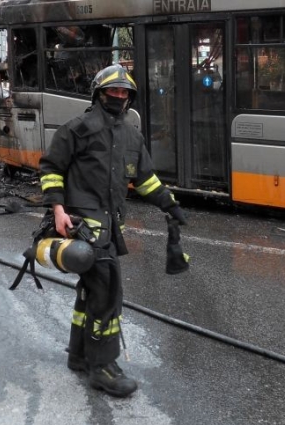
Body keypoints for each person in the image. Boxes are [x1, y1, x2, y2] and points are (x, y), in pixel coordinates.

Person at [39, 65, 188, 398]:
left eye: (124, 92)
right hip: (82, 227)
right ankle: (102, 367)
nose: (118, 97)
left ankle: (79, 355)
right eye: (113, 91)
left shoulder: (132, 136)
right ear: (98, 93)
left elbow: (145, 179)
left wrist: (170, 204)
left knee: (91, 293)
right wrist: (58, 210)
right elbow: (51, 169)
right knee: (107, 296)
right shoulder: (76, 129)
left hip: (109, 228)